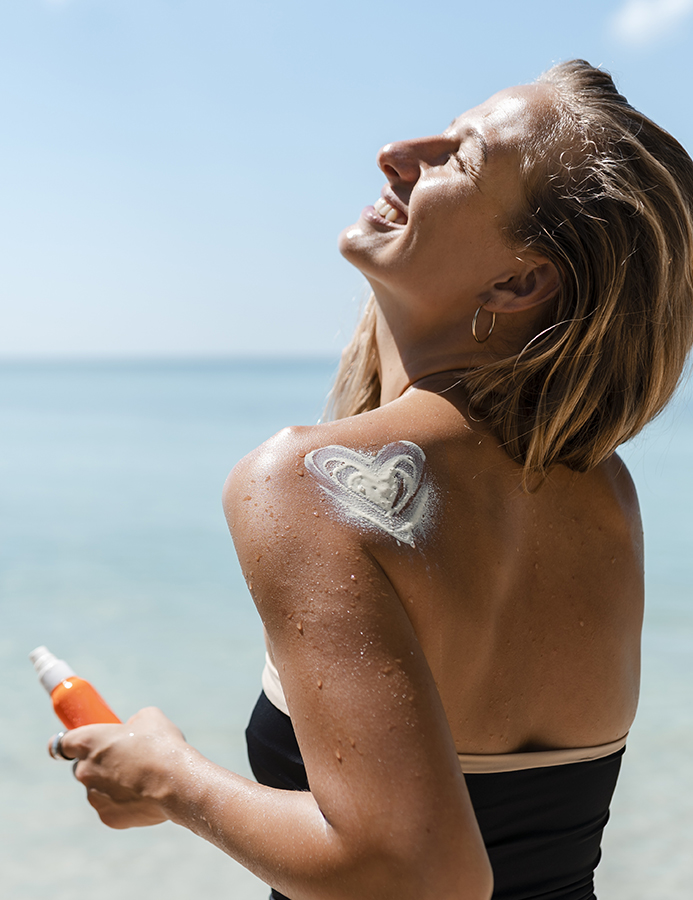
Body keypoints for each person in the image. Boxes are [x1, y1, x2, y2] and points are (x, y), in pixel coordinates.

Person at [52, 60, 693, 900]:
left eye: (458, 159)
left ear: (517, 281)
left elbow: (415, 872)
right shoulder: (601, 493)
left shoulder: (304, 479)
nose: (396, 152)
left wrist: (171, 778)